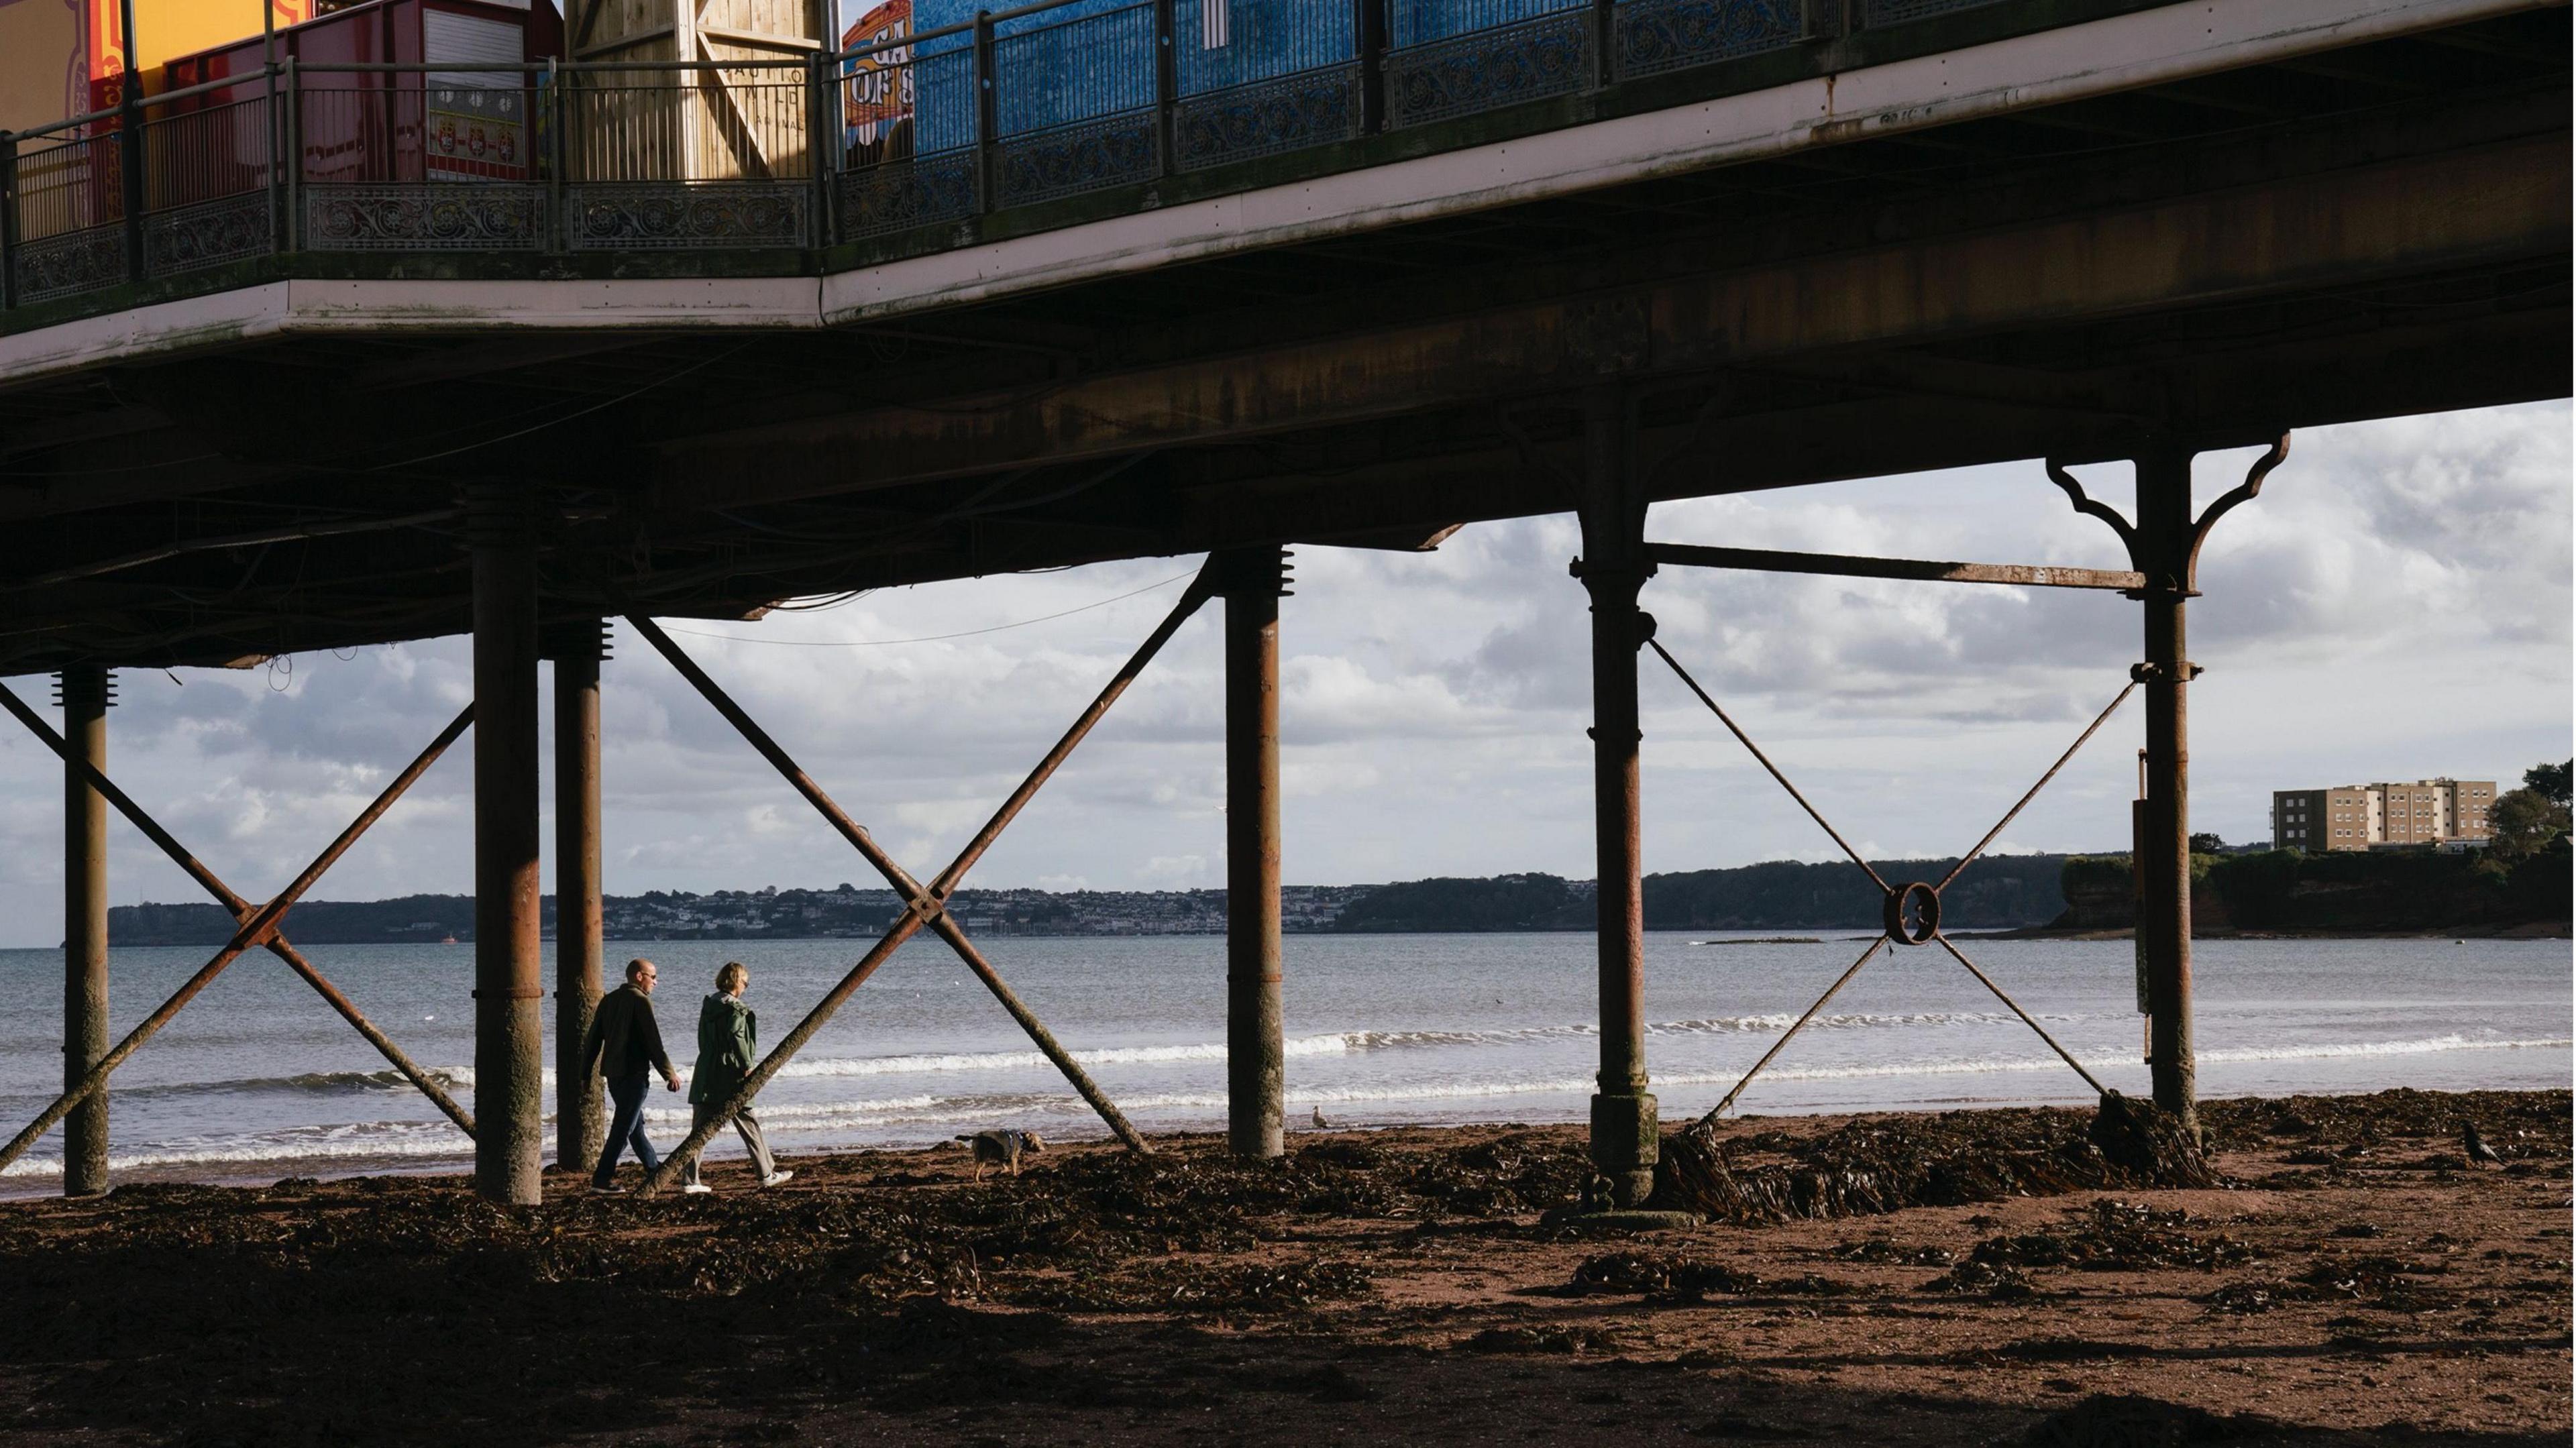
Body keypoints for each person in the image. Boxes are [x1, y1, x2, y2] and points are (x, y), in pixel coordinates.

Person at [682, 961, 792, 1193]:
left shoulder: (709, 1006)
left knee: (700, 1128)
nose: (746, 986)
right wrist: (747, 1065)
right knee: (748, 1121)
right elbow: (738, 1037)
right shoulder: (736, 1009)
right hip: (730, 1072)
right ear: (736, 981)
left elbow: (703, 1039)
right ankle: (766, 1173)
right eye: (745, 982)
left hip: (706, 1069)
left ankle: (690, 1180)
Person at [582, 957, 681, 1194]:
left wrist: (585, 1074)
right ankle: (602, 1179)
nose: (656, 982)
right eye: (653, 977)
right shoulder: (640, 1001)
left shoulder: (609, 1000)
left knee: (635, 1125)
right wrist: (669, 1074)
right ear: (639, 977)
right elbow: (653, 1043)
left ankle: (653, 1169)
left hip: (614, 1075)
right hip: (634, 1074)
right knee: (623, 1128)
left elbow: (593, 1040)